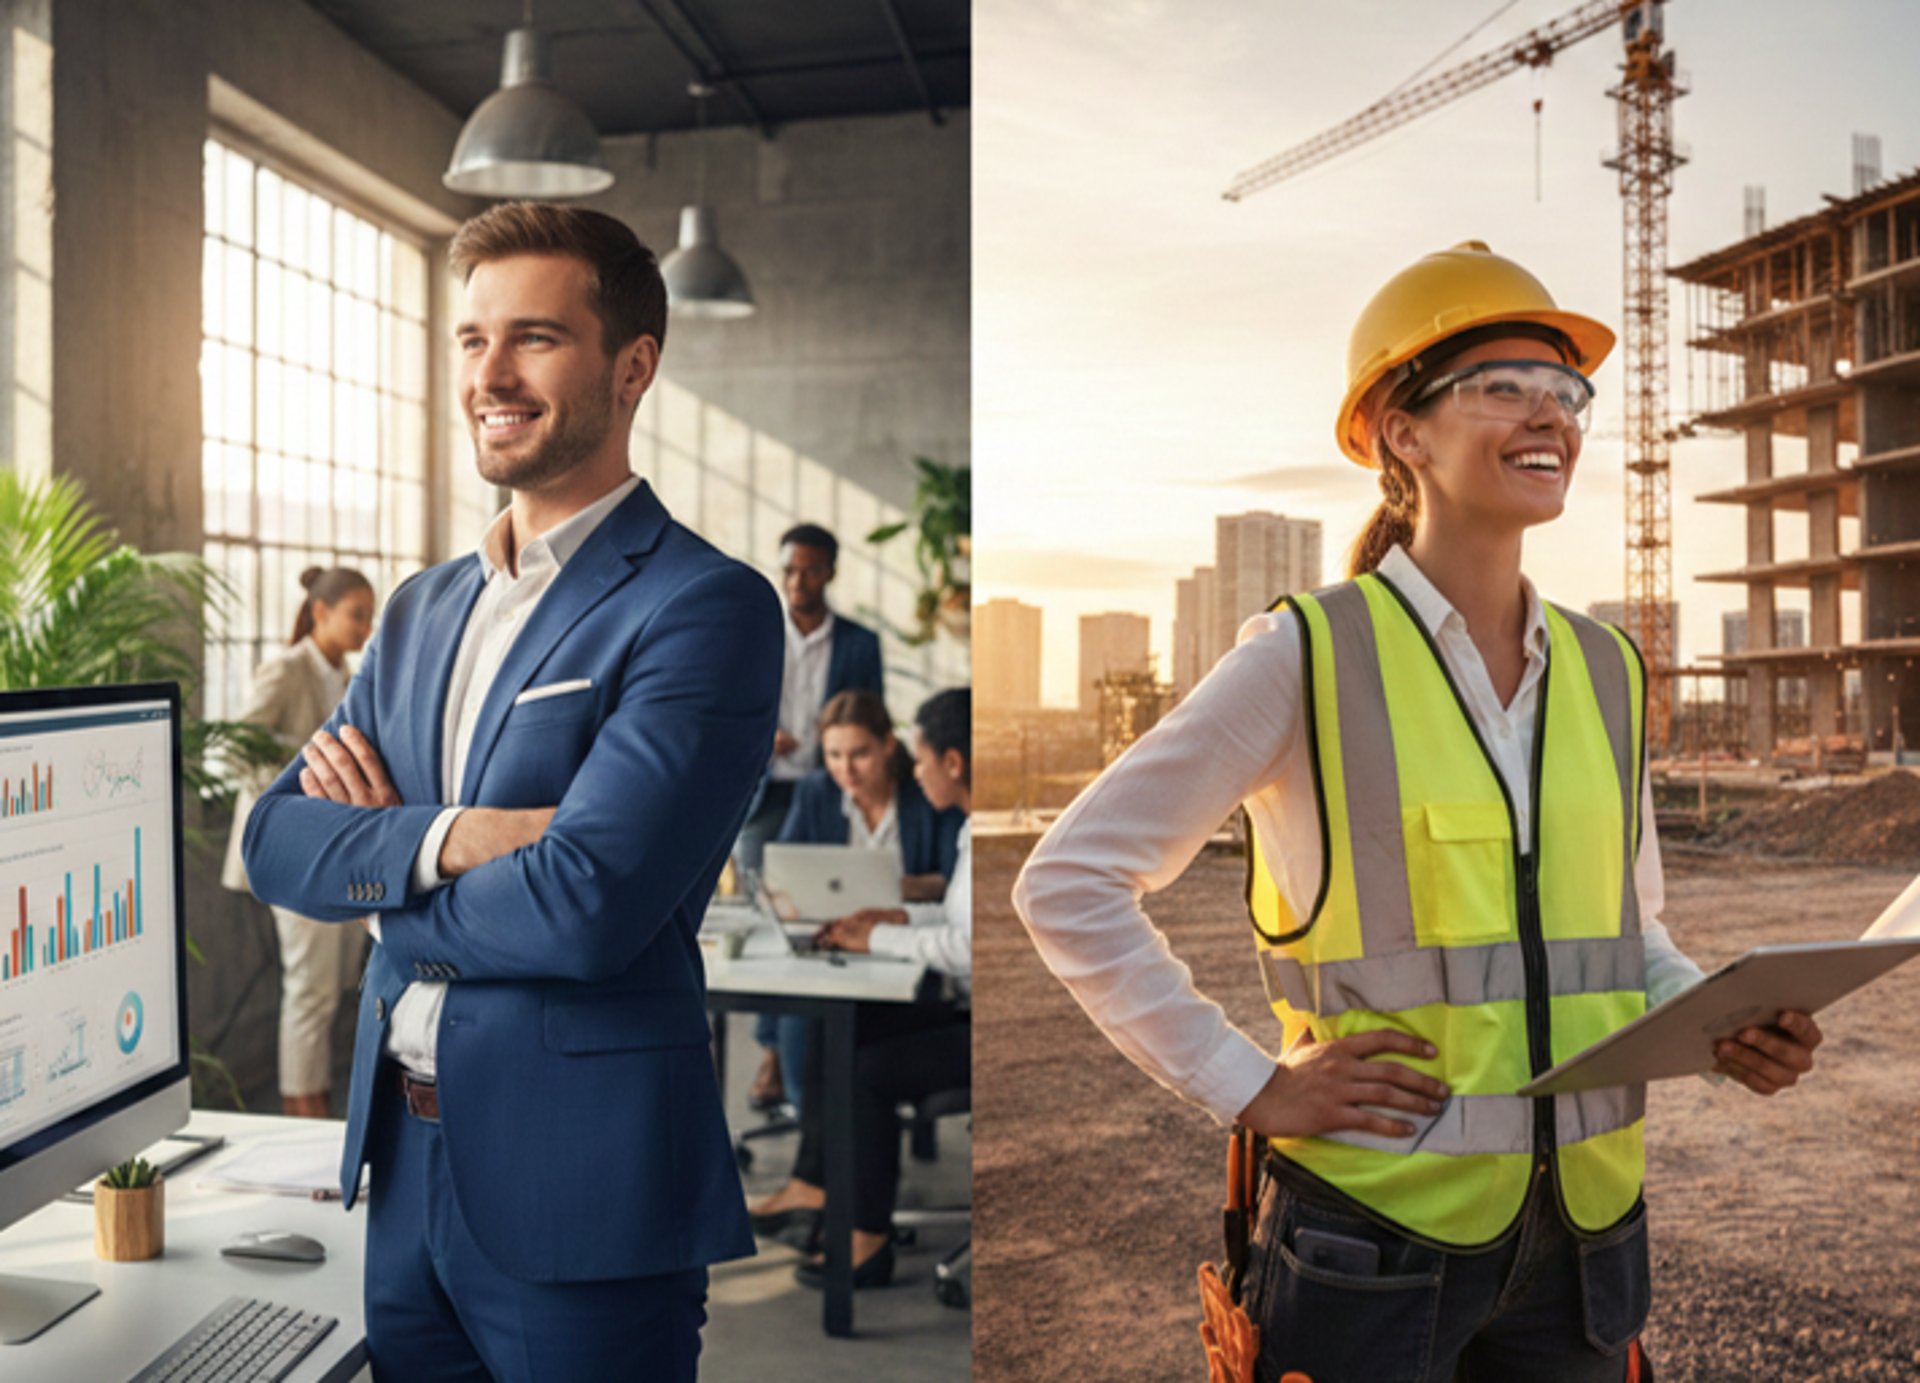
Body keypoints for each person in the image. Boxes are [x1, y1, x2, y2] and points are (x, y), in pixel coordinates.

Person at [1013, 243, 1823, 1382]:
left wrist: (1718, 1020)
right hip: (1371, 1244)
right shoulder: (1308, 654)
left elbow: (1629, 934)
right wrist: (1249, 1086)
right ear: (1404, 430)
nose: (1552, 416)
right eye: (1506, 386)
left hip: (1585, 1239)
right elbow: (1068, 882)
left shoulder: (1608, 672)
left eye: (1567, 393)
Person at [242, 201, 779, 1382]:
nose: (492, 372)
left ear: (632, 366)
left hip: (580, 1186)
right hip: (402, 1169)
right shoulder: (420, 608)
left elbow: (587, 907)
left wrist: (382, 874)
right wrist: (457, 838)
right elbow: (276, 839)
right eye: (472, 338)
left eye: (534, 337)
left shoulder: (702, 605)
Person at [747, 687, 972, 1289]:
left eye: (918, 759)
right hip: (937, 982)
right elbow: (955, 921)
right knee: (835, 1024)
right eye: (835, 756)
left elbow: (964, 940)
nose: (917, 772)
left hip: (965, 1009)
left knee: (863, 1064)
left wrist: (879, 933)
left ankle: (865, 1236)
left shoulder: (959, 824)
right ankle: (821, 1189)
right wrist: (887, 921)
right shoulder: (970, 828)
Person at [755, 688, 964, 1113]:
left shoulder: (926, 792)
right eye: (833, 755)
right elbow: (783, 869)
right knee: (806, 1009)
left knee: (854, 1035)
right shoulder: (816, 792)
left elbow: (949, 880)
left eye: (859, 754)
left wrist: (894, 892)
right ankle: (808, 1118)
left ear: (889, 745)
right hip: (837, 938)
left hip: (905, 949)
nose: (845, 770)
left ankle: (834, 1142)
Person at [737, 523, 884, 1107]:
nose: (798, 581)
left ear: (830, 573)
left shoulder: (858, 643)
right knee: (771, 912)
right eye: (789, 570)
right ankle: (773, 1053)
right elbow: (723, 703)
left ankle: (822, 1043)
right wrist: (757, 735)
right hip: (765, 791)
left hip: (829, 789)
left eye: (810, 570)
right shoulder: (755, 633)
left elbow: (869, 714)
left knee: (832, 902)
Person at [221, 566, 376, 1119]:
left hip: (337, 853)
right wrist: (303, 781)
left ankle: (317, 1109)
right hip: (293, 855)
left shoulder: (351, 676)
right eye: (357, 614)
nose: (366, 627)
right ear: (321, 612)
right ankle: (301, 1121)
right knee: (310, 993)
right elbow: (235, 747)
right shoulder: (286, 670)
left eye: (369, 616)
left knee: (333, 989)